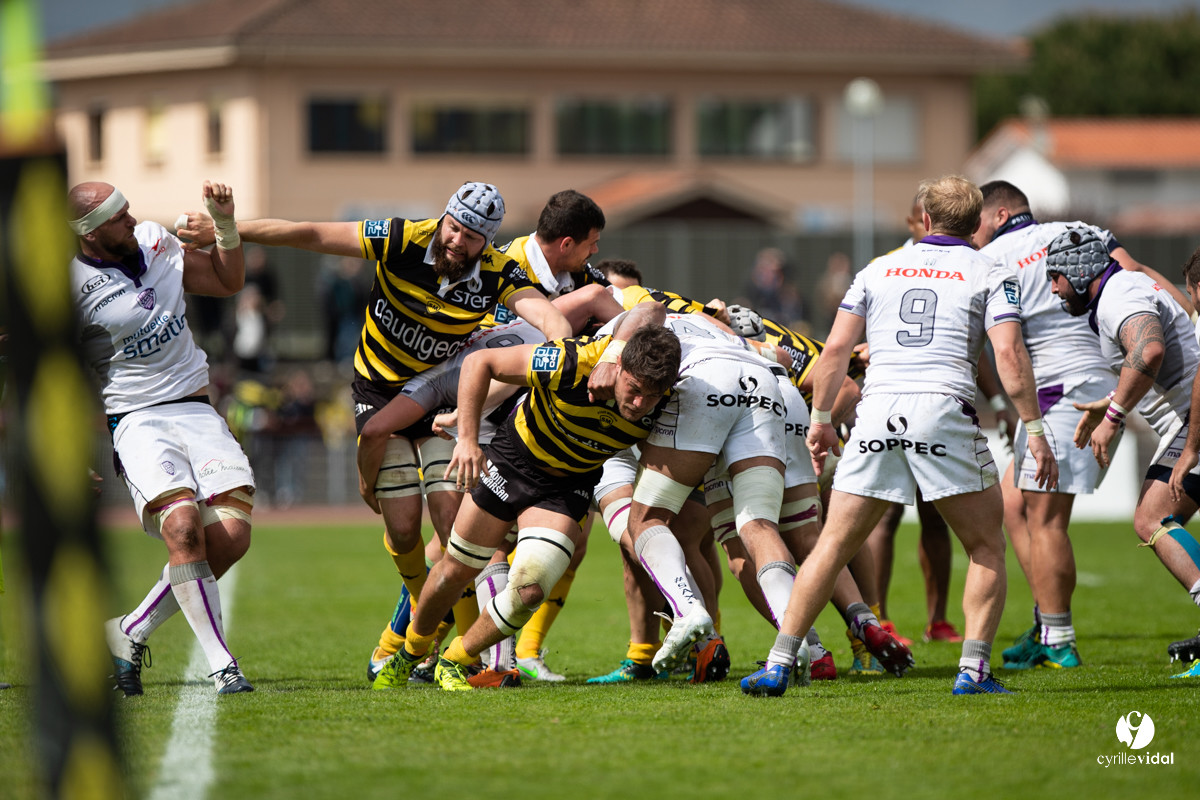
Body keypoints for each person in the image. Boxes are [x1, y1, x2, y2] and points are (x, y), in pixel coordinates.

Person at [181, 182, 572, 677]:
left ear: (487, 241)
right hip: (379, 397)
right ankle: (420, 612)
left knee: (456, 529)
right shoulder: (403, 238)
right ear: (444, 217)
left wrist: (567, 352)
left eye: (472, 237)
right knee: (405, 526)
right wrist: (229, 227)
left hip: (437, 403)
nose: (457, 241)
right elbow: (311, 234)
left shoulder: (497, 272)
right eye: (454, 227)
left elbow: (550, 318)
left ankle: (458, 657)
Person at [742, 174, 1057, 698]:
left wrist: (820, 420)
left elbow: (835, 351)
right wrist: (1035, 428)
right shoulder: (991, 269)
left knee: (832, 546)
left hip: (878, 409)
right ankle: (973, 672)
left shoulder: (878, 268)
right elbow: (1007, 354)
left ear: (926, 219)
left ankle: (780, 662)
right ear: (977, 223)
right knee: (985, 547)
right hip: (944, 410)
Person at [375, 307, 680, 691]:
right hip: (512, 463)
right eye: (633, 390)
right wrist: (468, 439)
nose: (639, 405)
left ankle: (455, 659)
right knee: (456, 568)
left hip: (567, 487)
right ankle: (411, 651)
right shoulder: (576, 362)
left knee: (531, 590)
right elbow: (480, 362)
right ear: (618, 369)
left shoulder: (672, 403)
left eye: (651, 397)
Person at [974, 180, 1192, 671]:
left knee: (1044, 518)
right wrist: (1187, 309)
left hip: (1061, 395)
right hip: (1100, 382)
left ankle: (1059, 637)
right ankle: (1044, 621)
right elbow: (1134, 273)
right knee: (1013, 506)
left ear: (1000, 213)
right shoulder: (1082, 230)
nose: (974, 233)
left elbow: (1005, 343)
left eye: (978, 222)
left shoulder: (993, 258)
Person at [72, 180, 256, 695]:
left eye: (129, 211)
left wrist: (225, 225)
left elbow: (226, 281)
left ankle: (128, 631)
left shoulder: (155, 241)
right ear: (88, 232)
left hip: (196, 408)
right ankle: (222, 665)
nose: (132, 221)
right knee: (182, 529)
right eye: (118, 218)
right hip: (136, 418)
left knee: (233, 535)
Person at [1036, 227, 1200, 680]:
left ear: (1081, 271)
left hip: (1194, 422)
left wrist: (1113, 417)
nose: (1053, 289)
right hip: (1189, 420)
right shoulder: (1124, 285)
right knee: (1160, 524)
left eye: (1056, 277)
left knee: (1152, 519)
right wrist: (1110, 405)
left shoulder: (1116, 296)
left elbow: (1148, 350)